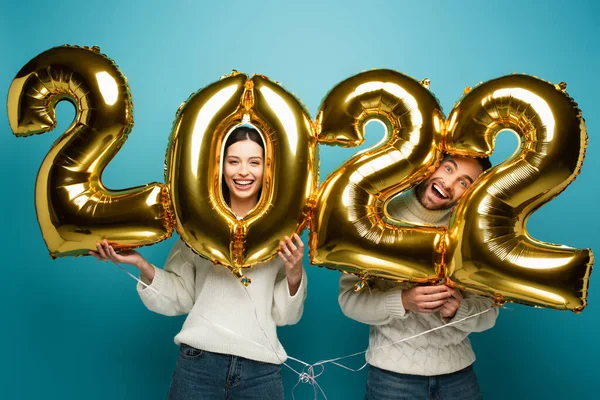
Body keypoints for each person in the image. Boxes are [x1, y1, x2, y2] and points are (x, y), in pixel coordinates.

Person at [91, 126, 307, 400]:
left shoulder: (284, 231)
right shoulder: (196, 224)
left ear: (269, 169)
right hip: (198, 367)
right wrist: (140, 264)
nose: (244, 172)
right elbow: (180, 297)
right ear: (220, 166)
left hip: (261, 371)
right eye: (233, 161)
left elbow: (286, 317)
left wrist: (294, 272)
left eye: (255, 162)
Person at [338, 155, 498, 400]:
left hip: (458, 378)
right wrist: (403, 301)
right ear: (432, 164)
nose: (448, 183)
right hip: (391, 380)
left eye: (463, 183)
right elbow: (349, 300)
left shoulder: (472, 234)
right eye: (448, 169)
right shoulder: (375, 216)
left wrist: (459, 310)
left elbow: (490, 313)